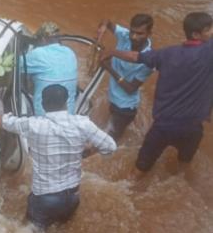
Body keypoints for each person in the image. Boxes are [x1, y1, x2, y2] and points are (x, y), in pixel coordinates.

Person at [101, 12, 213, 175]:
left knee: (139, 170)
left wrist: (112, 52)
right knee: (184, 166)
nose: (211, 32)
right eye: (209, 29)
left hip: (163, 126)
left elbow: (135, 57)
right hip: (192, 127)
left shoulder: (165, 54)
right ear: (196, 34)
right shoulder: (208, 52)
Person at [0, 84, 116, 228]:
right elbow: (110, 146)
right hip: (72, 197)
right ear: (67, 102)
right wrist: (86, 152)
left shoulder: (34, 125)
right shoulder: (82, 123)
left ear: (43, 104)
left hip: (44, 199)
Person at [96, 14, 154, 142]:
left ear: (149, 33)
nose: (134, 37)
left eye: (140, 34)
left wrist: (109, 68)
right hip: (113, 99)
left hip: (124, 108)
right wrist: (103, 29)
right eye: (132, 32)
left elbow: (130, 88)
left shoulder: (149, 59)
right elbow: (107, 19)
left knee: (108, 143)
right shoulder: (125, 35)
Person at [21, 21, 77, 115]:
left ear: (43, 39)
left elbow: (13, 65)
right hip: (69, 115)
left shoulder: (39, 54)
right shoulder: (70, 53)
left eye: (37, 41)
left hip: (44, 118)